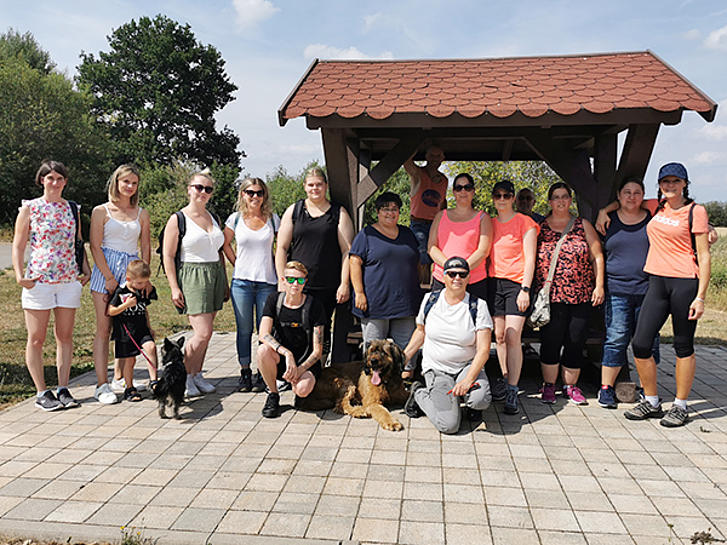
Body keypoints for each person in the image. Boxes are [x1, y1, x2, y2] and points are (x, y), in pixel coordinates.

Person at [598, 163, 711, 427]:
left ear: (685, 183)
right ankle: (651, 401)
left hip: (685, 283)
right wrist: (604, 210)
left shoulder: (696, 211)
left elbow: (704, 256)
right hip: (656, 281)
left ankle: (681, 406)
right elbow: (624, 203)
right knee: (641, 343)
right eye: (665, 182)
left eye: (675, 181)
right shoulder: (654, 206)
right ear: (659, 185)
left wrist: (701, 296)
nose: (670, 186)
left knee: (683, 345)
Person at [12, 160, 91, 411]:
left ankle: (63, 388)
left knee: (65, 337)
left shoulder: (72, 208)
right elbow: (18, 244)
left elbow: (78, 241)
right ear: (41, 180)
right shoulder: (30, 208)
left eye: (59, 178)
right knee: (36, 338)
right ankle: (41, 392)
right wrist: (19, 274)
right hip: (39, 282)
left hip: (68, 281)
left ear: (65, 182)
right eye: (50, 178)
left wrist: (85, 267)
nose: (55, 183)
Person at [403, 257, 493, 434]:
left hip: (466, 367)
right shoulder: (430, 300)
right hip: (437, 370)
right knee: (449, 426)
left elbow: (483, 350)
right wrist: (403, 358)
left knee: (480, 399)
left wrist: (468, 380)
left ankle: (469, 405)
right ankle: (419, 393)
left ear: (468, 278)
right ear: (444, 277)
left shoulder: (478, 305)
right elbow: (420, 332)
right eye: (452, 274)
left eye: (462, 274)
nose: (457, 278)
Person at [535, 182, 605, 405]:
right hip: (551, 297)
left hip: (580, 295)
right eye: (556, 197)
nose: (561, 201)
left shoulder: (582, 225)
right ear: (549, 201)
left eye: (565, 196)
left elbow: (597, 256)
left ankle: (570, 386)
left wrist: (599, 285)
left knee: (575, 341)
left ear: (570, 200)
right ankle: (548, 386)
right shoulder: (540, 227)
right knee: (551, 341)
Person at [89, 164, 152, 405]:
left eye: (134, 183)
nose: (130, 187)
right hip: (107, 270)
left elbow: (145, 246)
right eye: (126, 182)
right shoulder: (101, 211)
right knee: (104, 328)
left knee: (130, 326)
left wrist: (143, 279)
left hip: (132, 272)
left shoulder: (141, 213)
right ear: (116, 182)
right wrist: (108, 277)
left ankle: (123, 378)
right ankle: (101, 384)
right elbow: (95, 245)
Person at [595, 178, 660, 409]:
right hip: (617, 290)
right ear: (618, 195)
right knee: (616, 338)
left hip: (649, 290)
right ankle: (606, 389)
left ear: (643, 195)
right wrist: (604, 210)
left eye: (636, 192)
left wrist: (709, 229)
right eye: (627, 192)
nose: (631, 197)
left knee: (648, 342)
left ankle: (647, 389)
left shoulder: (653, 214)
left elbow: (684, 211)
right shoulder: (608, 221)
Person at [162, 171, 227, 397]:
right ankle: (185, 376)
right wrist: (174, 286)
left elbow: (219, 250)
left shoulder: (214, 217)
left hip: (215, 273)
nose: (203, 193)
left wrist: (224, 280)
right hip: (192, 275)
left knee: (207, 334)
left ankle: (197, 373)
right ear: (189, 188)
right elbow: (168, 256)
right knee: (202, 332)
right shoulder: (178, 219)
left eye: (208, 189)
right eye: (199, 187)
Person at [275, 167, 353, 353]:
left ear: (325, 186)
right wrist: (282, 279)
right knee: (295, 328)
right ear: (304, 187)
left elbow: (347, 251)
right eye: (311, 185)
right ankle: (292, 372)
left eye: (319, 184)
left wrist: (344, 283)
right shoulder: (294, 211)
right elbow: (282, 248)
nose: (315, 188)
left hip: (327, 285)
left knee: (322, 330)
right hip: (298, 284)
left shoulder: (338, 213)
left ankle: (319, 372)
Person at [487, 180, 539, 415]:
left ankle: (513, 388)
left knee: (512, 335)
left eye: (506, 195)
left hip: (517, 284)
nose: (501, 199)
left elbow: (530, 258)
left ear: (513, 198)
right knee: (498, 336)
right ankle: (505, 379)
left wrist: (525, 289)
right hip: (493, 282)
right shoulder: (489, 223)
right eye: (497, 195)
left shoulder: (525, 222)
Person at [222, 177, 279, 393]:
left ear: (264, 196)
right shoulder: (235, 219)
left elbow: (281, 246)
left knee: (265, 331)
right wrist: (237, 263)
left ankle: (262, 373)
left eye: (259, 193)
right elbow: (225, 243)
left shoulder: (273, 219)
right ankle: (245, 372)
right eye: (250, 192)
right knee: (244, 330)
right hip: (242, 283)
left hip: (267, 282)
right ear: (243, 194)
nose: (255, 197)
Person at [349, 191, 421, 351]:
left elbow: (416, 263)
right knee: (374, 351)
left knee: (405, 349)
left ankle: (405, 375)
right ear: (378, 212)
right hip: (375, 304)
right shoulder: (366, 235)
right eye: (385, 208)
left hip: (405, 304)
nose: (390, 212)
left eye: (394, 208)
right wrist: (359, 292)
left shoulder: (408, 234)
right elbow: (354, 262)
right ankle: (374, 377)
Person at [257, 261, 326, 418]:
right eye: (290, 279)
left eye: (300, 280)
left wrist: (299, 369)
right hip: (281, 358)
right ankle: (273, 394)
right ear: (283, 280)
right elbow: (263, 334)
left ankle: (298, 387)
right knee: (263, 350)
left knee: (302, 390)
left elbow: (317, 351)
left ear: (305, 282)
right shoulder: (274, 300)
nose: (295, 284)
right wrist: (287, 354)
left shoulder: (314, 306)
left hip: (305, 360)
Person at [428, 173, 492, 299]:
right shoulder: (440, 216)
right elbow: (431, 247)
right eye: (459, 188)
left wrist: (461, 271)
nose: (463, 191)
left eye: (467, 187)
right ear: (453, 192)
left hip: (473, 281)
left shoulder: (483, 218)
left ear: (473, 191)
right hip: (442, 279)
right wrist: (450, 269)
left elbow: (483, 250)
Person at [107, 260, 158, 402]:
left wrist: (149, 326)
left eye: (145, 282)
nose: (143, 285)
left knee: (151, 347)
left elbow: (145, 309)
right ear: (129, 279)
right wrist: (126, 305)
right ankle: (129, 388)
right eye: (140, 283)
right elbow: (110, 311)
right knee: (130, 360)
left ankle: (154, 381)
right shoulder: (121, 291)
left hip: (142, 329)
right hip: (126, 332)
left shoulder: (141, 290)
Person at [405, 145, 448, 283]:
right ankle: (420, 288)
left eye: (438, 156)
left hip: (435, 224)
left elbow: (442, 203)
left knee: (436, 257)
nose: (435, 159)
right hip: (419, 223)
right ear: (426, 157)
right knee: (421, 256)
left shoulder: (444, 180)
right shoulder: (418, 174)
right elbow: (407, 163)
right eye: (432, 156)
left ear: (443, 159)